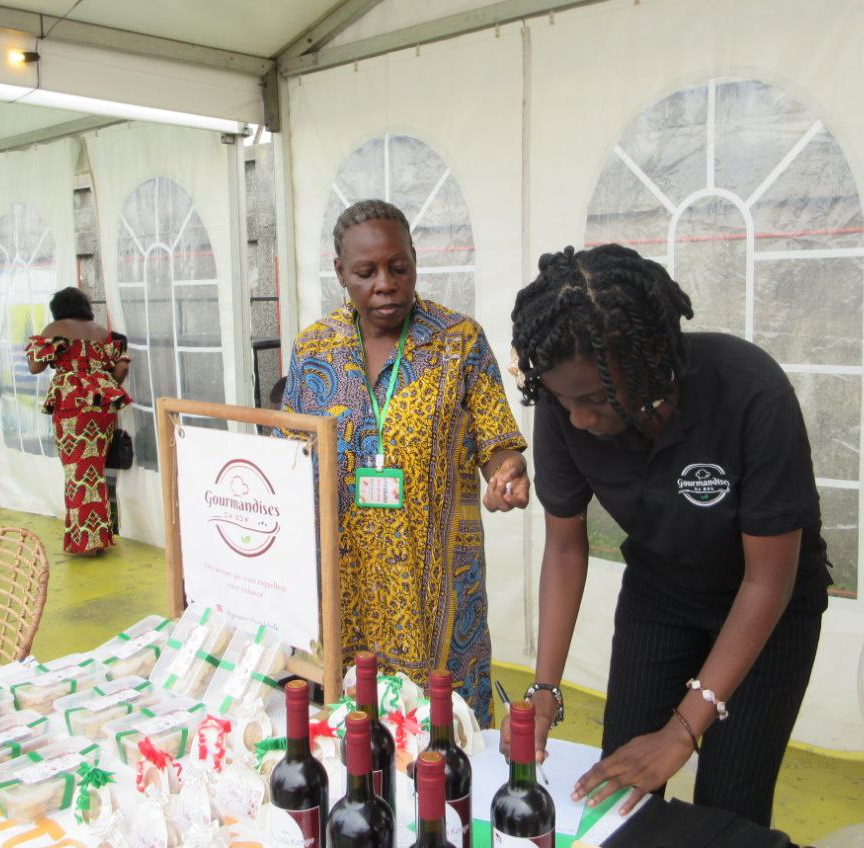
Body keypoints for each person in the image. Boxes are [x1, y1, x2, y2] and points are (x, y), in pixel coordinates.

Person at [506, 244, 830, 827]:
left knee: (728, 811)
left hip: (767, 609)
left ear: (648, 359)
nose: (577, 418)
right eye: (562, 399)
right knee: (619, 788)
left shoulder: (753, 394)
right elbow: (564, 546)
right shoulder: (565, 404)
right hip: (660, 594)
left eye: (595, 398)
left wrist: (683, 729)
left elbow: (768, 580)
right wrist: (545, 693)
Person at [280, 199, 530, 724]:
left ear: (415, 260)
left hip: (435, 586)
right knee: (350, 738)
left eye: (399, 267)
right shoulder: (312, 349)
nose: (386, 283)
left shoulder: (458, 342)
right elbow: (290, 456)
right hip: (342, 584)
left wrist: (506, 473)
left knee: (443, 744)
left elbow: (495, 439)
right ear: (340, 274)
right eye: (366, 272)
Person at [26, 287, 132, 556]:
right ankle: (93, 536)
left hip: (73, 406)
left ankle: (89, 542)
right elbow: (117, 375)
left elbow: (35, 367)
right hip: (102, 406)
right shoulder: (101, 332)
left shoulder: (56, 327)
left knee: (78, 473)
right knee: (92, 470)